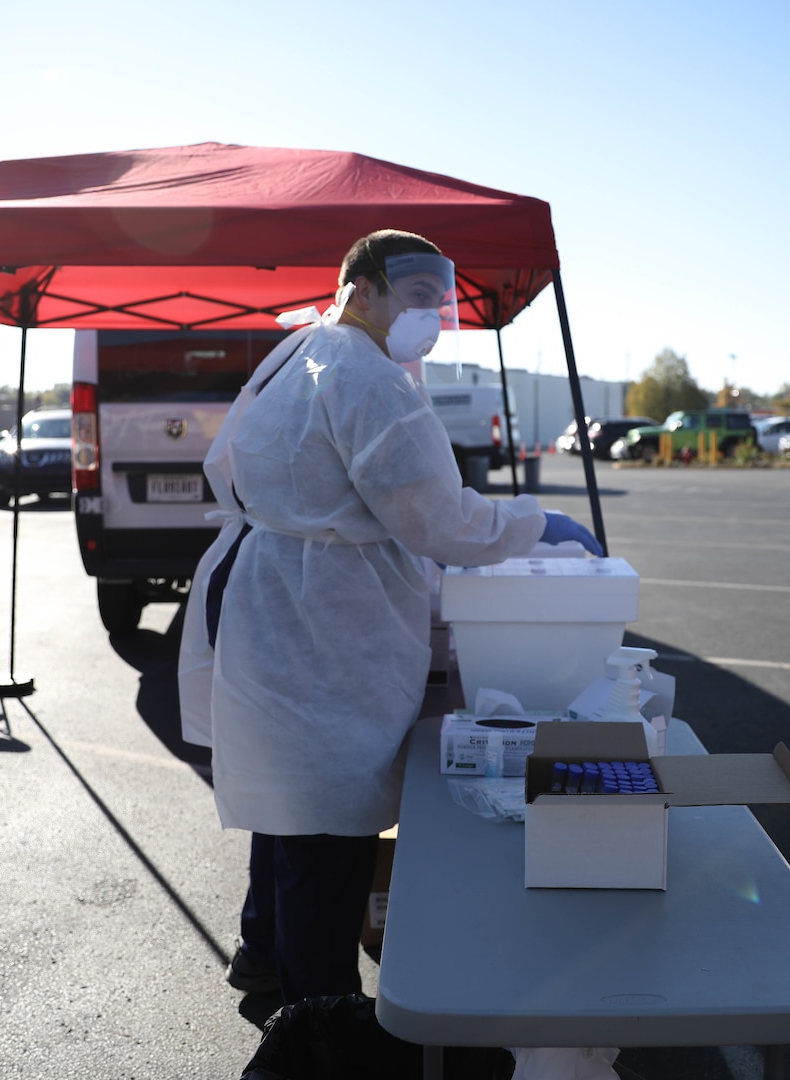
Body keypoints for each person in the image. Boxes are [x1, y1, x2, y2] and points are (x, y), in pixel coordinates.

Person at [178, 229, 601, 1005]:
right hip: (323, 617)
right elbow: (439, 522)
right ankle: (319, 1021)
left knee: (287, 803)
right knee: (327, 830)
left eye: (437, 301)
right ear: (361, 289)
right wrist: (538, 523)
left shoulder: (298, 350)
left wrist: (315, 514)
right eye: (414, 297)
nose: (430, 315)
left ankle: (263, 951)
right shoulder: (368, 377)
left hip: (271, 595)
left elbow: (229, 462)